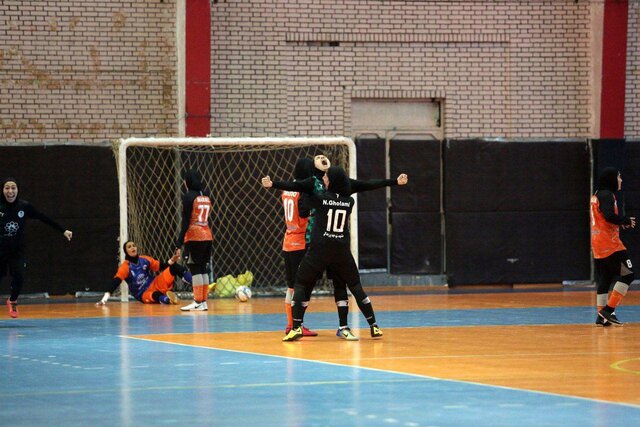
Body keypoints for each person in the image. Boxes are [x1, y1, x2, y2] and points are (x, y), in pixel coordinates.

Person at [263, 166, 401, 342]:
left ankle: (296, 327)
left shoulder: (320, 199)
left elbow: (303, 195)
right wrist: (394, 182)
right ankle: (372, 325)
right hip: (340, 252)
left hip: (319, 251)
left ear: (332, 181)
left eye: (326, 177)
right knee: (353, 286)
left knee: (301, 284)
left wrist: (275, 184)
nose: (324, 179)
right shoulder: (349, 201)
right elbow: (367, 185)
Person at [294, 155, 408, 340]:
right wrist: (394, 182)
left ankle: (303, 326)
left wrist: (394, 181)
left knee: (311, 283)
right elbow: (369, 184)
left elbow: (368, 184)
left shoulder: (323, 191)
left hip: (322, 245)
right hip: (333, 245)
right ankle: (365, 325)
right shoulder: (341, 195)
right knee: (338, 285)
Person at [0, 177, 73, 318]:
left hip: (17, 250)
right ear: (2, 190)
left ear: (17, 190)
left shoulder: (24, 206)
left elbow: (43, 217)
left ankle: (13, 300)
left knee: (19, 275)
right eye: (7, 188)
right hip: (1, 249)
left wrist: (63, 230)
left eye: (13, 188)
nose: (10, 191)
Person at [590, 167, 636, 326]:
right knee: (628, 275)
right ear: (611, 179)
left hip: (598, 244)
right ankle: (608, 311)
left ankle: (600, 317)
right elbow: (609, 215)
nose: (621, 180)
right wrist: (624, 220)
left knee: (605, 278)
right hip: (611, 245)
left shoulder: (596, 194)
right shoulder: (607, 195)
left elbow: (604, 217)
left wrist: (619, 223)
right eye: (619, 177)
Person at [280, 158, 318, 336]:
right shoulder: (302, 191)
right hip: (300, 242)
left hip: (288, 241)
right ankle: (297, 325)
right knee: (301, 286)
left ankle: (291, 324)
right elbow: (303, 213)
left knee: (291, 286)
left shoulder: (287, 189)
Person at [96, 240, 191, 305]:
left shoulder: (144, 259)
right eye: (129, 247)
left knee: (174, 267)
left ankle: (195, 283)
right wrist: (105, 297)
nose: (132, 247)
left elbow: (161, 266)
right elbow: (116, 281)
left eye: (133, 245)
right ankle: (166, 299)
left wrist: (172, 260)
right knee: (155, 295)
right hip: (143, 293)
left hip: (155, 283)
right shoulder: (125, 267)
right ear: (126, 251)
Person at [176, 169, 213, 311]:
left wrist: (179, 242)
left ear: (187, 182)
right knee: (203, 268)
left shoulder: (189, 196)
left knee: (195, 268)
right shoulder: (206, 195)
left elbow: (186, 221)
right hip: (207, 234)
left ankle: (197, 301)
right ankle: (203, 302)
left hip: (195, 235)